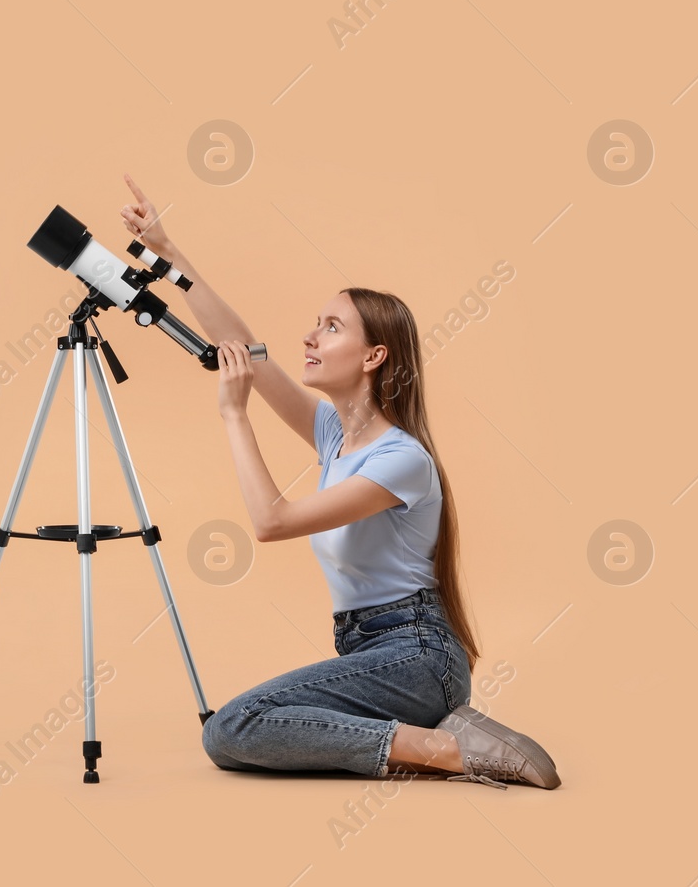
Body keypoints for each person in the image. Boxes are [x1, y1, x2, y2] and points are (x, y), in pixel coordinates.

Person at [118, 174, 559, 790]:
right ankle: (432, 738)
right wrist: (172, 257)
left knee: (232, 729)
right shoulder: (335, 435)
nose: (308, 336)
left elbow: (270, 523)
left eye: (330, 327)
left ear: (374, 356)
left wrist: (233, 412)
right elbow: (243, 344)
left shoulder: (400, 459)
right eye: (316, 323)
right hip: (375, 652)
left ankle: (450, 749)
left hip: (417, 656)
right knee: (247, 726)